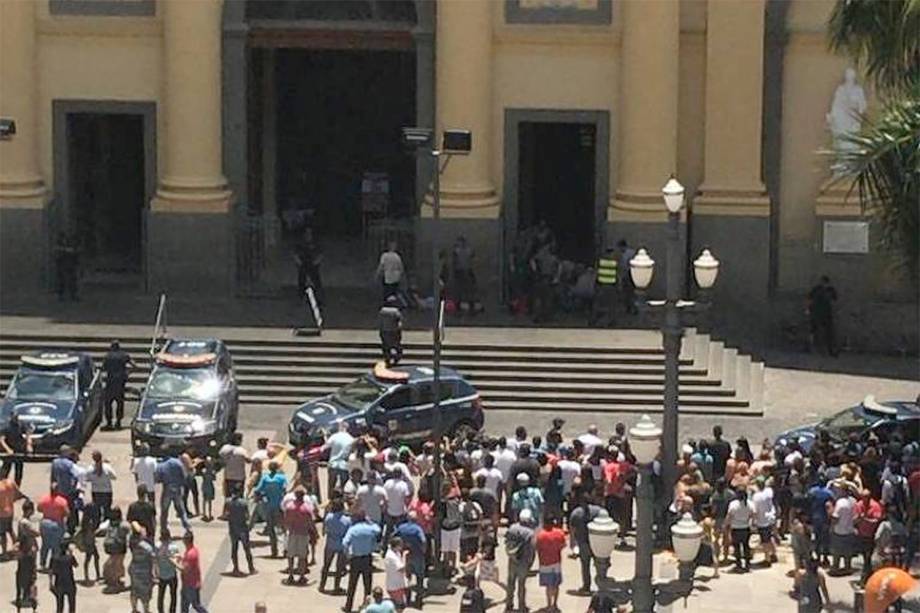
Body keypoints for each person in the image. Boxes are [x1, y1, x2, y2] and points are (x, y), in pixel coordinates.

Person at [343, 511, 382, 613]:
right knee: (367, 585)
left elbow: (345, 543)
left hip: (355, 559)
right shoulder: (370, 529)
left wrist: (347, 554)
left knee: (352, 584)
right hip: (367, 558)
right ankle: (367, 606)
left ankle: (348, 606)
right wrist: (370, 522)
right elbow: (379, 529)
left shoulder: (352, 529)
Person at [569, 486, 602, 594]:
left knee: (585, 566)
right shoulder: (599, 511)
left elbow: (572, 530)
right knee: (600, 564)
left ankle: (586, 586)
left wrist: (573, 544)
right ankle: (601, 585)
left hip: (583, 543)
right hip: (597, 542)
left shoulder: (576, 513)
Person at [283, 486, 317, 585]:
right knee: (302, 556)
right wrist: (314, 532)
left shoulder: (289, 507)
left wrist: (286, 528)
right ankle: (301, 576)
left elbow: (286, 520)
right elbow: (311, 522)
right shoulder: (307, 508)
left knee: (291, 555)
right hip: (303, 533)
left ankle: (290, 575)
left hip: (292, 533)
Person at [505, 508, 536, 613]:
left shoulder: (512, 528)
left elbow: (506, 542)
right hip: (523, 561)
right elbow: (532, 549)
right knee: (521, 584)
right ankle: (521, 606)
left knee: (510, 582)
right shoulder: (530, 533)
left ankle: (509, 604)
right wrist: (530, 563)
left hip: (512, 559)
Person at [254, 460, 287, 559]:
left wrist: (262, 496)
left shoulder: (265, 478)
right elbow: (285, 489)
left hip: (268, 506)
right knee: (284, 529)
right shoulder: (281, 478)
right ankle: (286, 549)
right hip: (280, 506)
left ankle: (274, 551)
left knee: (271, 529)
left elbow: (257, 490)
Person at [394, 511, 427, 609]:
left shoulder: (401, 527)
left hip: (406, 555)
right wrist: (423, 550)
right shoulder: (417, 529)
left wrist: (399, 548)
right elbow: (424, 540)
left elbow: (393, 536)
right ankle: (419, 600)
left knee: (407, 578)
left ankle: (407, 599)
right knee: (420, 578)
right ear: (416, 519)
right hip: (417, 555)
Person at [320, 497, 351, 594]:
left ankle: (322, 585)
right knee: (339, 567)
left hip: (330, 542)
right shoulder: (347, 520)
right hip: (341, 544)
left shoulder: (329, 517)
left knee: (326, 565)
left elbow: (325, 530)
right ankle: (336, 587)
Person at [535, 516, 566, 612]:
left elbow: (537, 547)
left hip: (545, 563)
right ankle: (555, 604)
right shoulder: (560, 533)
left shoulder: (541, 535)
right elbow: (563, 545)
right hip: (556, 562)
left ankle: (549, 605)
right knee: (556, 584)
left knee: (548, 586)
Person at [102, 340, 134, 430]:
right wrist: (127, 373)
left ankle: (109, 423)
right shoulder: (124, 355)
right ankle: (118, 422)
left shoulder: (108, 356)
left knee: (108, 403)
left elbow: (103, 368)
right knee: (120, 403)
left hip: (110, 382)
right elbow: (135, 365)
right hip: (120, 382)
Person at [38, 482, 70, 570]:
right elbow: (67, 513)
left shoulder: (44, 499)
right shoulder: (62, 501)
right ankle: (54, 564)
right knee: (56, 545)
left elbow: (39, 508)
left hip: (45, 524)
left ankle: (42, 563)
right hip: (57, 524)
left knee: (45, 545)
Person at [156, 453, 190, 534]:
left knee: (164, 511)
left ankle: (163, 529)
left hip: (167, 489)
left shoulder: (161, 465)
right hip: (177, 489)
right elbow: (184, 476)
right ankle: (188, 528)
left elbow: (158, 479)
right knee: (181, 511)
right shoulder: (179, 463)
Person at [218, 433, 250, 520]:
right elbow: (248, 460)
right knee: (240, 496)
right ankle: (243, 514)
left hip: (228, 475)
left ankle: (226, 513)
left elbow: (220, 457)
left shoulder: (225, 448)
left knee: (227, 496)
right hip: (239, 476)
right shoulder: (241, 450)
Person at [15, 499, 39, 612]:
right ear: (28, 510)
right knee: (30, 575)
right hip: (28, 552)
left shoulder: (21, 521)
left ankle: (22, 595)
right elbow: (35, 533)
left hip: (24, 551)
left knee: (22, 574)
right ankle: (30, 597)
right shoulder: (25, 523)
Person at [175, 531, 207, 613]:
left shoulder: (190, 554)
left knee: (195, 604)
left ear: (187, 541)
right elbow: (188, 563)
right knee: (185, 605)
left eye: (184, 539)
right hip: (188, 583)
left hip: (191, 584)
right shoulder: (192, 550)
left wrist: (173, 563)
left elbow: (184, 569)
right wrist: (181, 558)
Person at [227, 488, 256, 576]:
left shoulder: (228, 502)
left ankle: (235, 568)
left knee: (234, 549)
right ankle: (251, 568)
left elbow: (225, 514)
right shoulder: (243, 503)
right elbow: (247, 516)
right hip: (242, 528)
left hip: (233, 528)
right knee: (247, 549)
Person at [807, 275, 838, 357]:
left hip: (826, 313)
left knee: (828, 332)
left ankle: (829, 349)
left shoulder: (830, 290)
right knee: (814, 330)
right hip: (817, 312)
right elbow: (810, 299)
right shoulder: (817, 289)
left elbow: (834, 300)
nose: (823, 284)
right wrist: (809, 309)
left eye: (825, 282)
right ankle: (813, 348)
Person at [82, 449, 117, 520]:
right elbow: (114, 477)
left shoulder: (90, 468)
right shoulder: (107, 467)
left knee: (96, 510)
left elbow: (86, 478)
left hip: (96, 492)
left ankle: (96, 523)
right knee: (107, 510)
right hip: (107, 491)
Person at [129, 523, 156, 613]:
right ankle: (146, 611)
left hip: (134, 568)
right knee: (145, 593)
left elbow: (133, 524)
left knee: (134, 590)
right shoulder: (147, 547)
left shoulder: (132, 542)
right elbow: (153, 558)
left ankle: (134, 609)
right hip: (144, 571)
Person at [102, 506, 130, 592]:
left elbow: (101, 528)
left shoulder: (109, 523)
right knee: (117, 565)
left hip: (110, 546)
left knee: (111, 563)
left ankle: (111, 579)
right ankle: (115, 583)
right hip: (119, 547)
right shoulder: (123, 524)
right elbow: (129, 531)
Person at [726, 488, 754, 572]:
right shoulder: (750, 504)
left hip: (736, 528)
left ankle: (738, 565)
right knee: (746, 546)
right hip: (745, 527)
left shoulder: (733, 504)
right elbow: (753, 514)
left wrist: (726, 525)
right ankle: (747, 565)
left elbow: (729, 516)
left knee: (737, 547)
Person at [324, 422, 355, 497]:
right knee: (343, 486)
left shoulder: (334, 436)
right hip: (345, 465)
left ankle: (330, 499)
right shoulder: (351, 439)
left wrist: (325, 436)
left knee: (331, 484)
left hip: (333, 464)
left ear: (339, 427)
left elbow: (326, 446)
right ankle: (341, 500)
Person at [590, 245, 618, 327]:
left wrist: (595, 286)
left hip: (601, 286)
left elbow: (596, 272)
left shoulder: (600, 261)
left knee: (597, 304)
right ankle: (612, 321)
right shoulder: (615, 262)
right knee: (611, 306)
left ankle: (593, 320)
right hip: (611, 287)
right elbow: (618, 275)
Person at [1, 413, 32, 485]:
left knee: (19, 471)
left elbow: (28, 434)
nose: (16, 419)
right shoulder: (6, 426)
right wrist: (7, 449)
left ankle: (17, 487)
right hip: (9, 451)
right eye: (14, 418)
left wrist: (29, 445)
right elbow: (2, 439)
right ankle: (2, 486)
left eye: (17, 417)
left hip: (19, 450)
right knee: (5, 470)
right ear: (11, 417)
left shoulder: (21, 425)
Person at [157, 528, 181, 613]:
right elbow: (178, 559)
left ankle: (161, 611)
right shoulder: (173, 547)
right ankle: (172, 611)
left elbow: (154, 560)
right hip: (172, 575)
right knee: (173, 596)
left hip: (162, 575)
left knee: (161, 596)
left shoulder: (157, 546)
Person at [76, 500, 101, 583]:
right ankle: (93, 576)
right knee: (91, 558)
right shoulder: (90, 522)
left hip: (89, 541)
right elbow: (91, 533)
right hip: (90, 542)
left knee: (92, 558)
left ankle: (92, 575)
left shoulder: (85, 520)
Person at [51, 538, 78, 613]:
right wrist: (71, 553)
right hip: (70, 583)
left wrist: (51, 583)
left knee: (60, 605)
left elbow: (51, 571)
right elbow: (76, 565)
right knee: (72, 605)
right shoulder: (70, 558)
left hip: (59, 583)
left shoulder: (55, 558)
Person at [0, 474, 23, 557]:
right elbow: (18, 495)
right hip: (10, 511)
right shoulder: (11, 482)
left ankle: (4, 553)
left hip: (1, 513)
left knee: (2, 534)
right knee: (10, 530)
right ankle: (17, 549)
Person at [384, 537, 408, 609]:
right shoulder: (391, 557)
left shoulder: (396, 553)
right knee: (399, 606)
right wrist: (404, 557)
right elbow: (401, 568)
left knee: (401, 604)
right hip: (394, 585)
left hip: (398, 583)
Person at [378, 296, 403, 366]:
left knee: (386, 347)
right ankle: (396, 359)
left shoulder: (382, 311)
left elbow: (380, 322)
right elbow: (399, 322)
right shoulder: (395, 311)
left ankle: (388, 359)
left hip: (385, 331)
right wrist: (399, 332)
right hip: (393, 331)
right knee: (397, 347)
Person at [54, 233, 80, 301]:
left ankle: (72, 294)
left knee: (72, 279)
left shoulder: (71, 244)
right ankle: (61, 295)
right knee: (62, 280)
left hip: (70, 264)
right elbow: (57, 253)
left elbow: (75, 252)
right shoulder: (60, 246)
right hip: (63, 264)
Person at [616, 239, 637, 315]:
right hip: (627, 274)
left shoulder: (629, 253)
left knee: (629, 293)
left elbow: (627, 265)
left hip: (630, 274)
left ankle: (632, 308)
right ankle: (629, 308)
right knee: (627, 293)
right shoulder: (626, 253)